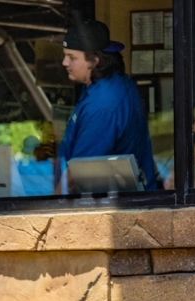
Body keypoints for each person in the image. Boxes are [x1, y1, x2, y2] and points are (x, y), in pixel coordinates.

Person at [58, 19, 156, 192]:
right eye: (65, 55)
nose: (65, 62)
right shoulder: (109, 82)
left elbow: (77, 174)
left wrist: (50, 207)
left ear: (94, 61)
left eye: (72, 57)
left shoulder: (103, 104)